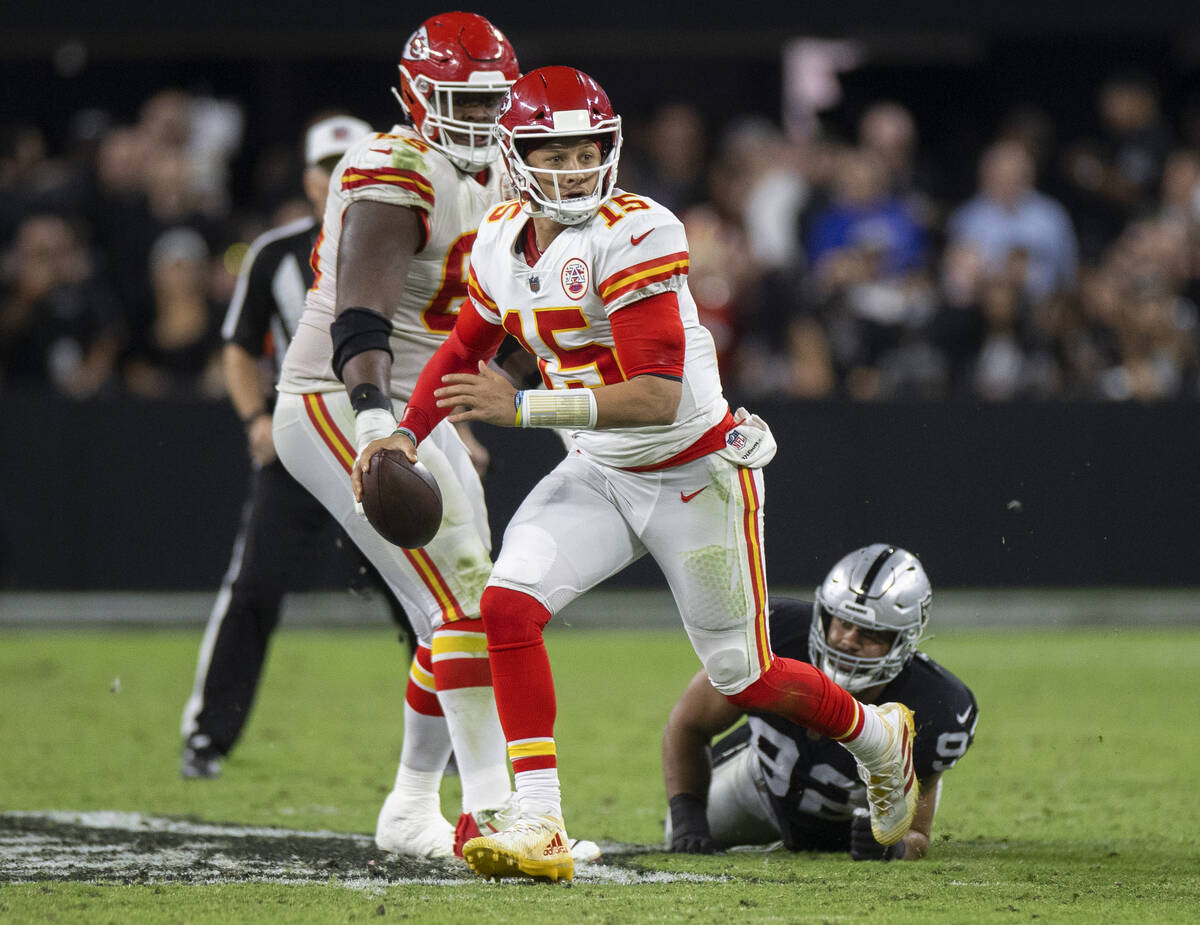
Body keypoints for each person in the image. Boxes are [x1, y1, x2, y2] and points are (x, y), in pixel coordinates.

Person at [369, 66, 921, 882]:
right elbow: (462, 349)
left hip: (693, 473)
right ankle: (540, 816)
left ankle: (879, 737)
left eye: (586, 149)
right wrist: (402, 437)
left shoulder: (637, 231)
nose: (572, 168)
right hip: (599, 471)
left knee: (744, 673)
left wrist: (520, 409)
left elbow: (659, 398)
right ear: (516, 158)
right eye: (551, 153)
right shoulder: (498, 239)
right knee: (506, 605)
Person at [271, 12, 523, 860]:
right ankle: (496, 815)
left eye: (491, 98)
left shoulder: (510, 173)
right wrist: (377, 421)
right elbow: (361, 314)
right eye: (460, 97)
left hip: (422, 402)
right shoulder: (396, 167)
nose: (480, 115)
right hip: (343, 393)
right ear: (417, 96)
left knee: (466, 603)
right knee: (462, 599)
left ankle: (412, 808)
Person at [179, 113, 400, 780]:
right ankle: (207, 734)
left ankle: (456, 737)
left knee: (429, 593)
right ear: (308, 179)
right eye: (327, 168)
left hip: (384, 439)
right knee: (254, 586)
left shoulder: (411, 243)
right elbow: (240, 348)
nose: (338, 179)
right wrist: (254, 418)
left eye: (350, 164)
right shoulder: (277, 254)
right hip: (303, 444)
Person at [662, 544, 978, 861]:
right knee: (677, 827)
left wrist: (893, 847)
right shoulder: (776, 635)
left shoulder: (937, 706)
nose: (848, 640)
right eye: (842, 622)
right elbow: (689, 724)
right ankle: (754, 741)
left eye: (871, 633)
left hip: (848, 822)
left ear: (904, 639)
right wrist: (689, 816)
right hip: (761, 786)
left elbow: (917, 834)